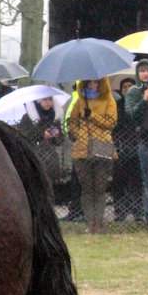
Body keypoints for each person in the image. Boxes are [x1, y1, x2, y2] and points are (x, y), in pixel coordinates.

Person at [64, 77, 118, 234]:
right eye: (89, 82)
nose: (93, 85)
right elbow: (71, 121)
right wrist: (77, 133)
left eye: (96, 82)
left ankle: (99, 223)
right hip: (82, 148)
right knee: (86, 188)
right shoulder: (80, 101)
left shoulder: (109, 100)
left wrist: (92, 115)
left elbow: (111, 122)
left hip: (102, 145)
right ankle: (90, 223)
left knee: (100, 188)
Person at [126, 60, 148, 222]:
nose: (146, 73)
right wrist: (144, 101)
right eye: (142, 71)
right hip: (146, 143)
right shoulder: (134, 91)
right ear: (137, 74)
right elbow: (132, 116)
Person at [111, 77, 142, 221]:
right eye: (125, 86)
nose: (127, 88)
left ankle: (137, 211)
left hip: (137, 147)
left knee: (136, 181)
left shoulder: (139, 104)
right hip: (120, 147)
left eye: (130, 86)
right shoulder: (116, 105)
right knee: (119, 181)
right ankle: (120, 211)